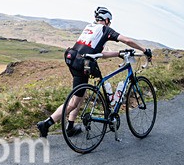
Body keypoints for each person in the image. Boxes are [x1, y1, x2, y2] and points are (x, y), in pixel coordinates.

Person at [37, 7, 152, 137]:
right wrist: (144, 49)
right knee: (74, 102)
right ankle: (46, 124)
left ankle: (70, 126)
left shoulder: (89, 28)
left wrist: (118, 53)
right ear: (107, 20)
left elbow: (99, 53)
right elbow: (127, 40)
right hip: (83, 64)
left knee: (80, 94)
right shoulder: (105, 29)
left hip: (72, 58)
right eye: (110, 21)